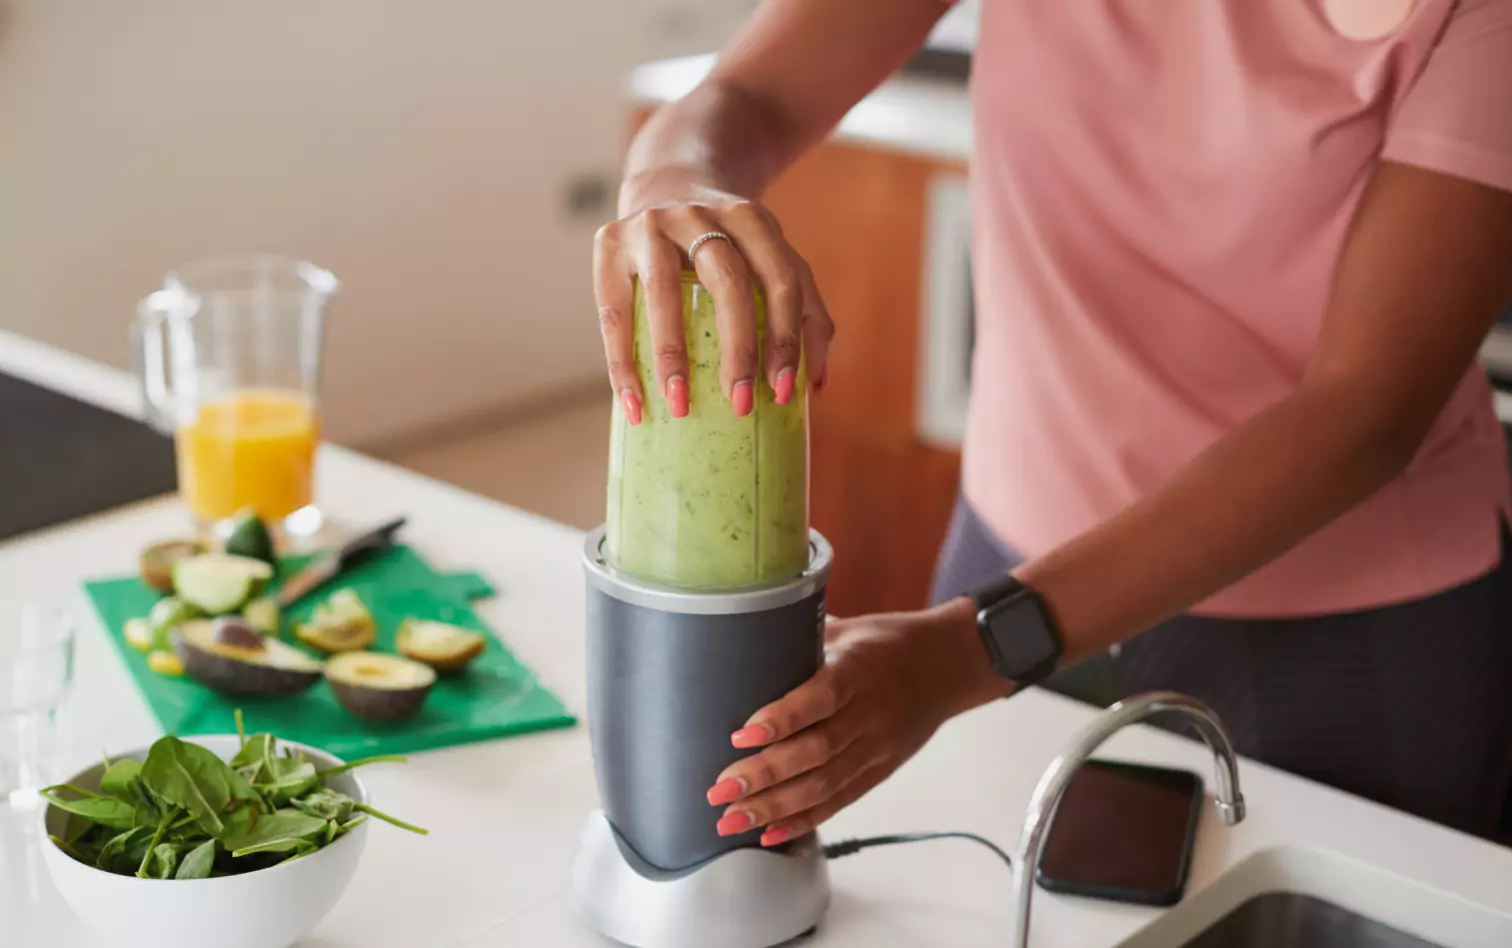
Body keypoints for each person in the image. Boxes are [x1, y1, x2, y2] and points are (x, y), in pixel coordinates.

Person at [592, 0, 1512, 845]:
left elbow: (1368, 408)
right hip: (1005, 566)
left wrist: (964, 652)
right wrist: (677, 187)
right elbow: (748, 94)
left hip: (1347, 635)